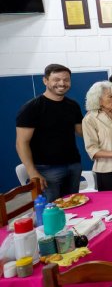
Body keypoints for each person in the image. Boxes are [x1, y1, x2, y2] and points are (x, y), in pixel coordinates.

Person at [16, 64, 84, 201]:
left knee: (73, 208)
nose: (62, 83)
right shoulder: (32, 108)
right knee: (50, 212)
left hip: (73, 165)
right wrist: (32, 172)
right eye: (56, 79)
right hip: (46, 170)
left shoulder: (73, 105)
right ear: (45, 81)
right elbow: (21, 143)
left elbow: (82, 132)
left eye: (66, 79)